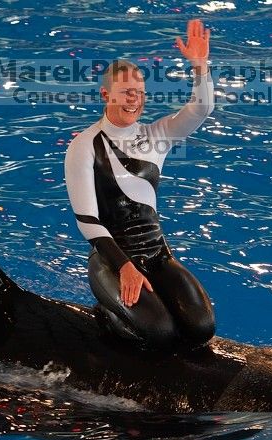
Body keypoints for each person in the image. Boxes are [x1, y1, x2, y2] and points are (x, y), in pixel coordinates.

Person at [64, 19, 215, 351]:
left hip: (158, 255)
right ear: (106, 94)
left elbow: (201, 109)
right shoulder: (85, 145)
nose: (134, 100)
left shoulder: (155, 136)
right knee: (158, 332)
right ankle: (108, 314)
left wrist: (200, 68)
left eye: (140, 93)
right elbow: (87, 220)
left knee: (201, 328)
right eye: (126, 93)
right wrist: (125, 267)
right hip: (111, 260)